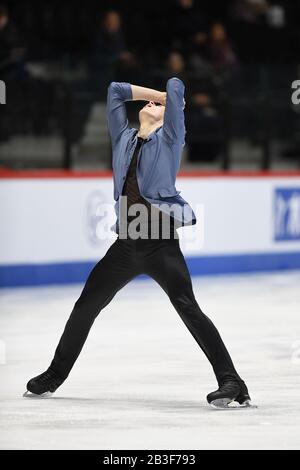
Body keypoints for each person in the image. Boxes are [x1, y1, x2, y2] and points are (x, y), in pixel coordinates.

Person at [25, 77, 251, 408]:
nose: (152, 106)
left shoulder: (172, 139)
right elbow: (115, 90)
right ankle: (54, 374)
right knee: (85, 305)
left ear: (169, 116)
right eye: (148, 104)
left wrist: (169, 100)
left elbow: (176, 83)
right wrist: (157, 97)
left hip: (160, 243)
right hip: (126, 244)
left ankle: (232, 382)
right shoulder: (124, 139)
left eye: (159, 107)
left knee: (187, 307)